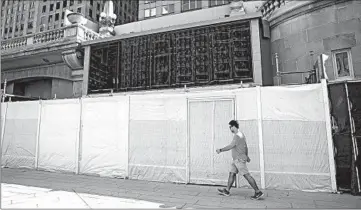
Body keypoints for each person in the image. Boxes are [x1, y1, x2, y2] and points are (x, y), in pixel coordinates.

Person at [216, 120, 264, 200]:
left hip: (239, 160)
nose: (230, 129)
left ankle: (257, 191)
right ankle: (227, 191)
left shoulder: (237, 136)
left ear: (233, 126)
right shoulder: (241, 135)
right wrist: (247, 156)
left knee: (246, 175)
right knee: (232, 173)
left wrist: (220, 150)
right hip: (236, 160)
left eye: (230, 127)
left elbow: (231, 146)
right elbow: (245, 146)